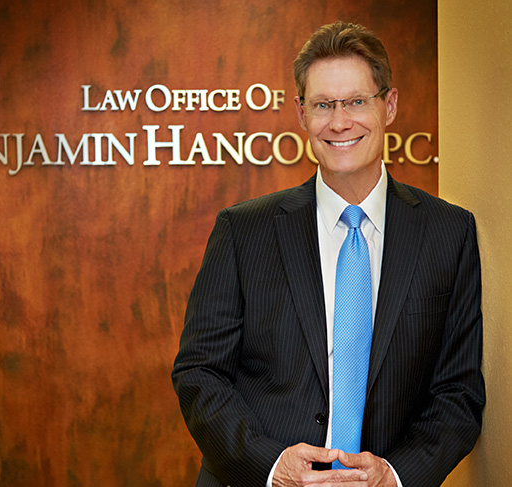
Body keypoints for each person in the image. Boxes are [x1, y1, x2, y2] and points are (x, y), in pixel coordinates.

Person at [171, 20, 485, 487]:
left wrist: (396, 475)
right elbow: (199, 373)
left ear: (390, 105)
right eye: (323, 105)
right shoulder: (243, 231)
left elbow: (458, 391)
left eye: (357, 101)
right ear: (302, 114)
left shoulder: (448, 232)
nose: (340, 122)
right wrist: (272, 466)